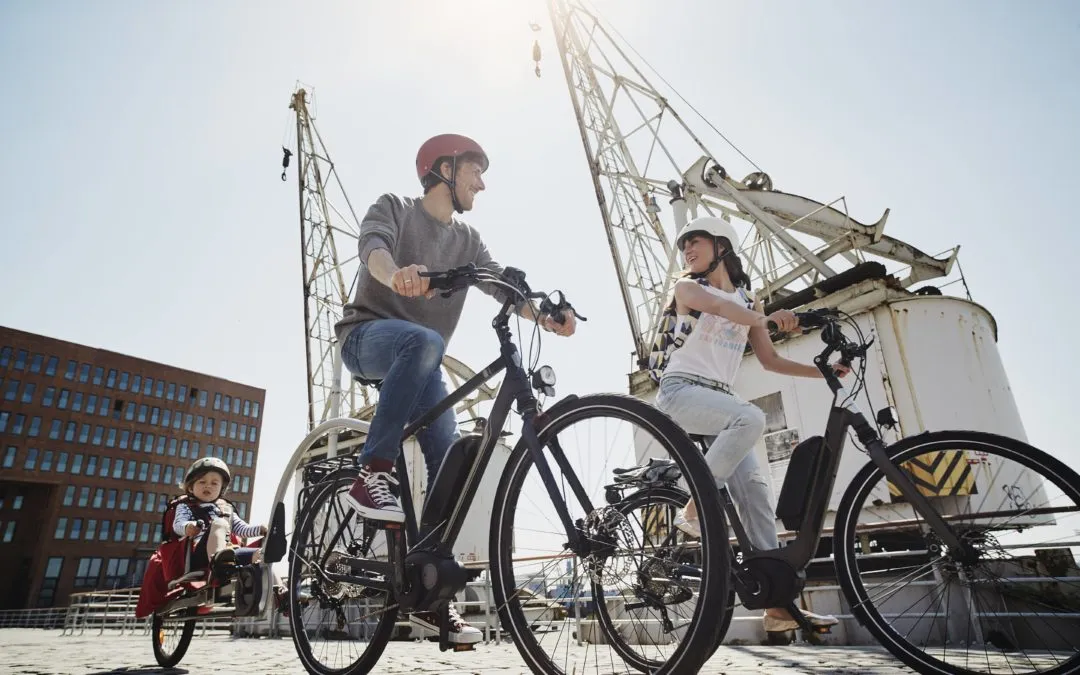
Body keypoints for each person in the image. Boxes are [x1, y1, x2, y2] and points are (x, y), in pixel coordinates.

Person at [334, 133, 578, 644]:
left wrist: (547, 315)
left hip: (420, 363)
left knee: (450, 460)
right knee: (423, 341)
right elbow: (371, 249)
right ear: (445, 169)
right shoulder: (396, 208)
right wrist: (395, 273)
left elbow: (498, 286)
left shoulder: (467, 241)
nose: (482, 185)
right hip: (367, 340)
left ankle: (427, 595)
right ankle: (371, 471)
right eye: (475, 173)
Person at [654, 215, 844, 634]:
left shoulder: (750, 301)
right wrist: (770, 318)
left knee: (757, 494)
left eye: (695, 241)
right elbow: (723, 309)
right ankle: (693, 504)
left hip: (719, 399)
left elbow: (771, 359)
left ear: (722, 246)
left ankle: (777, 609)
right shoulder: (688, 288)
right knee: (751, 416)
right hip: (681, 391)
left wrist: (826, 371)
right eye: (684, 244)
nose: (687, 250)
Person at [172, 457, 288, 613]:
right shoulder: (185, 506)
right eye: (202, 482)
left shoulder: (226, 509)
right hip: (199, 554)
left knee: (261, 555)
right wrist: (188, 527)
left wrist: (260, 529)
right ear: (191, 487)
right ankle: (218, 564)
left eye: (214, 483)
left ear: (221, 489)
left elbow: (241, 529)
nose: (208, 485)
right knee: (220, 524)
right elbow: (177, 524)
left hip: (229, 554)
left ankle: (281, 593)